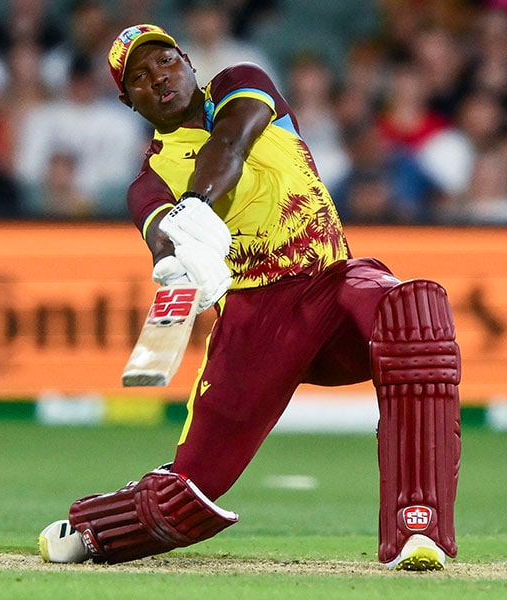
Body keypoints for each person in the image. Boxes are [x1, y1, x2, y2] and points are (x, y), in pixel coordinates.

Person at [38, 24, 461, 572]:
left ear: (187, 61)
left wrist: (196, 204)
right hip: (257, 321)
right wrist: (174, 265)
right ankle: (97, 526)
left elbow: (231, 142)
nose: (158, 78)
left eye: (164, 61)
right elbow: (160, 238)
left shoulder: (241, 83)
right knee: (188, 495)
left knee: (414, 309)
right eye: (139, 78)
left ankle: (416, 528)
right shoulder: (147, 183)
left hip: (335, 285)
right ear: (128, 102)